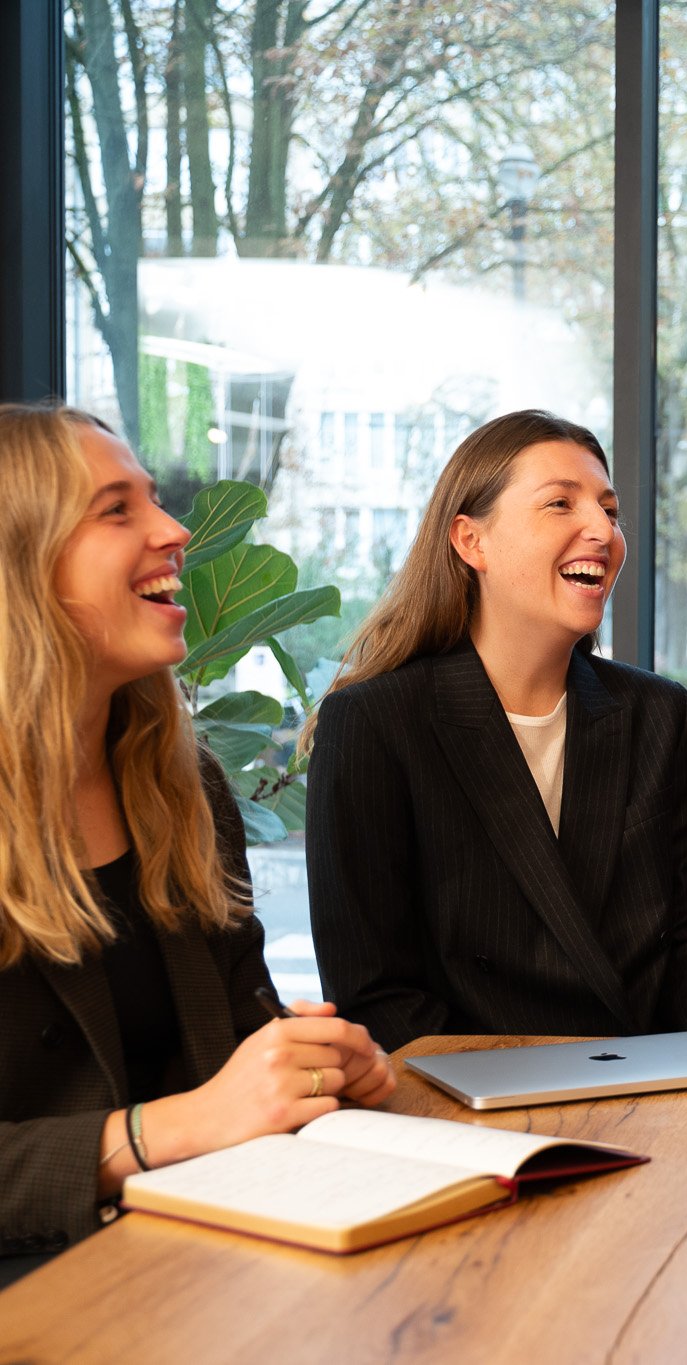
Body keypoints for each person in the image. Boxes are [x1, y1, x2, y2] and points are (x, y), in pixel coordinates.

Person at [0, 404, 394, 1284]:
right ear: (19, 563)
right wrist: (164, 1129)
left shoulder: (187, 788)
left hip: (193, 1262)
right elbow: (196, 1114)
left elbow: (230, 1039)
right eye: (117, 509)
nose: (175, 530)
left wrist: (309, 1062)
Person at [305, 410, 687, 1052]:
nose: (602, 529)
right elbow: (376, 996)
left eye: (609, 509)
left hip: (653, 1094)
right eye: (559, 504)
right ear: (471, 542)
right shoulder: (375, 725)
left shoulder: (659, 712)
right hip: (471, 1111)